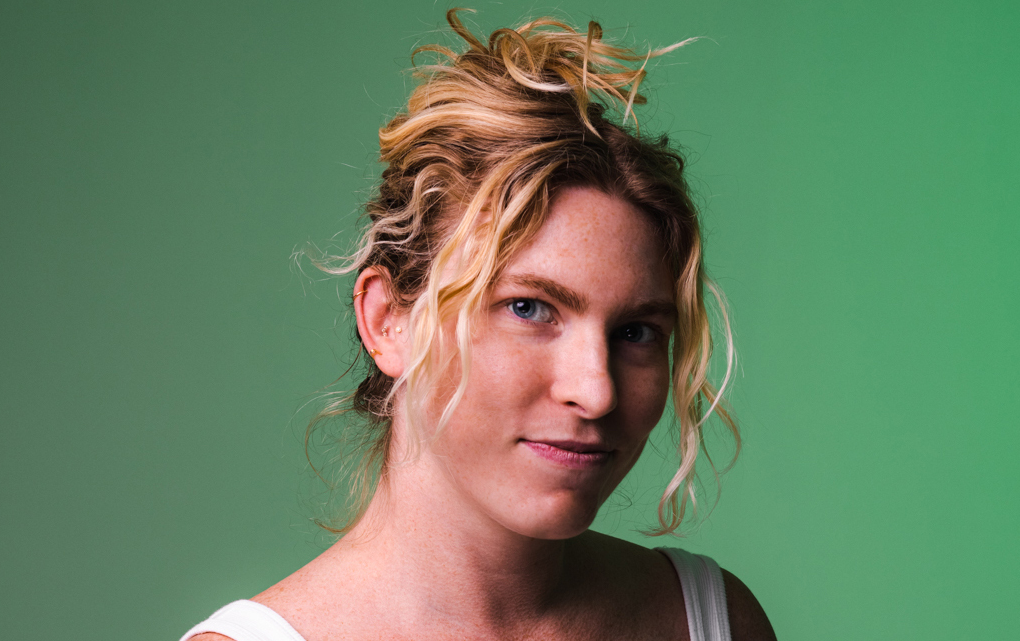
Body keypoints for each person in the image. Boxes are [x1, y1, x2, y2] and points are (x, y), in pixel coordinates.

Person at [181, 9, 775, 641]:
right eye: (529, 308)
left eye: (636, 332)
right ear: (387, 321)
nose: (596, 391)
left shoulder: (712, 619)